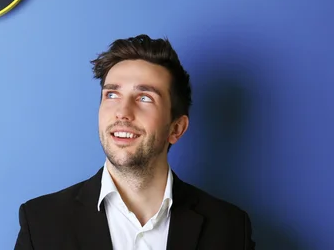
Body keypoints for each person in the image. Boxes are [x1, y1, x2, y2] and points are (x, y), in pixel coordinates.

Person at [13, 34, 255, 250]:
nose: (122, 112)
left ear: (176, 128)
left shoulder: (231, 229)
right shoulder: (41, 223)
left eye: (144, 97)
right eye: (112, 95)